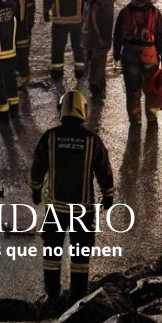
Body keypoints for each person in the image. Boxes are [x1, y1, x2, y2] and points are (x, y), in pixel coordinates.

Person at [30, 92, 115, 307]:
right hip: (83, 210)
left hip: (55, 208)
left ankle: (52, 296)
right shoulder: (92, 140)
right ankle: (78, 297)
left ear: (62, 111)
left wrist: (36, 189)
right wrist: (108, 194)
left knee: (52, 252)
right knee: (80, 255)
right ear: (83, 111)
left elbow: (38, 166)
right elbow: (104, 170)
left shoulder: (49, 137)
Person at [113, 0, 162, 124]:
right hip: (149, 56)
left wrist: (116, 54)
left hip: (129, 54)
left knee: (132, 91)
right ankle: (152, 116)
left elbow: (118, 34)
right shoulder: (155, 12)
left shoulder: (125, 12)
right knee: (152, 90)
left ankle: (135, 119)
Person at [43, 0, 87, 81]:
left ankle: (57, 74)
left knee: (58, 47)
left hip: (59, 22)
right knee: (78, 47)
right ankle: (80, 73)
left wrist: (46, 13)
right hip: (77, 20)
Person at [82, 0, 114, 96]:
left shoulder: (92, 1)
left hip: (91, 39)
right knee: (99, 63)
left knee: (95, 63)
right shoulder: (106, 1)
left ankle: (96, 84)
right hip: (100, 40)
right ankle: (97, 87)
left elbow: (87, 19)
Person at [7, 0, 36, 88]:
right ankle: (19, 75)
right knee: (17, 53)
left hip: (22, 27)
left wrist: (24, 28)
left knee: (22, 53)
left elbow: (23, 10)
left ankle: (24, 77)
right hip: (17, 26)